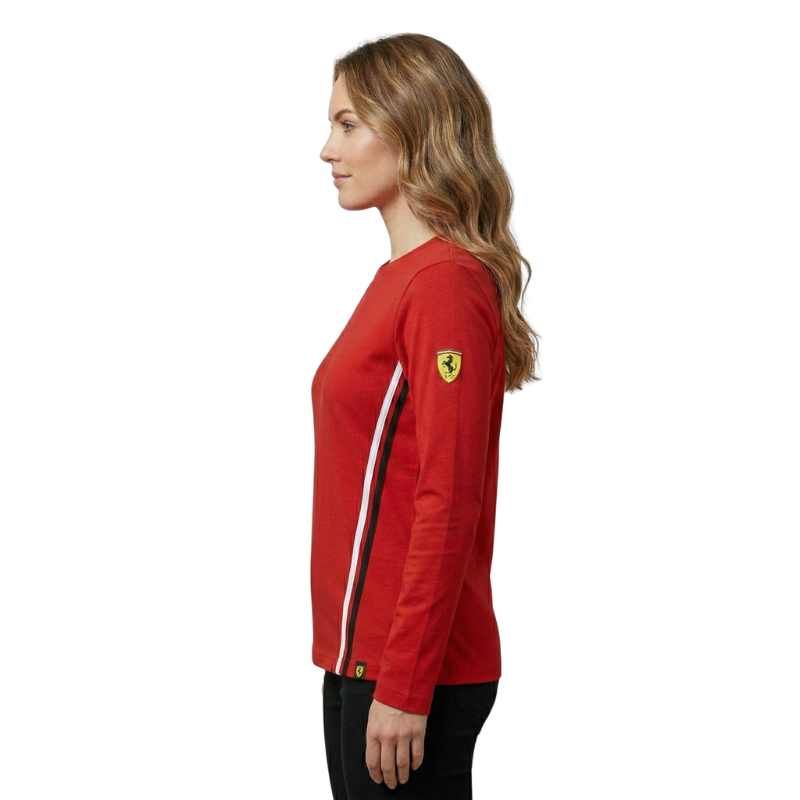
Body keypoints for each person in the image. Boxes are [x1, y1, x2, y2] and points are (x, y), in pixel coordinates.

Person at [311, 33, 540, 799]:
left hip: (411, 673)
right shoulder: (401, 279)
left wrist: (405, 683)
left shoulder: (442, 286)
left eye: (348, 124)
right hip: (364, 658)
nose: (327, 149)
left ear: (410, 128)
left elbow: (447, 499)